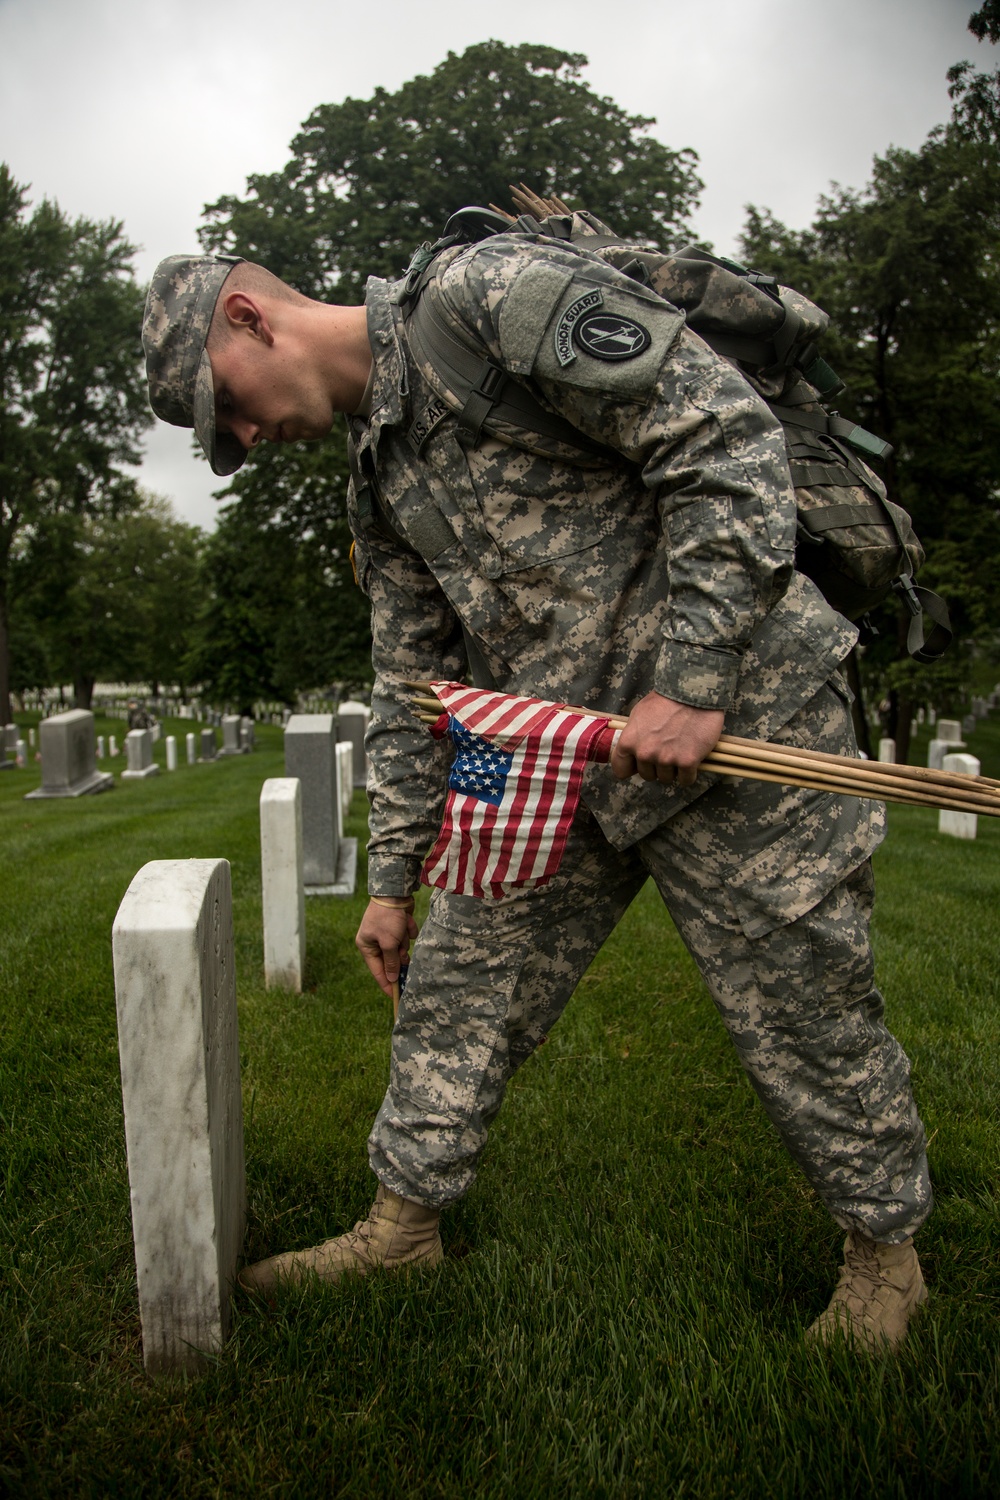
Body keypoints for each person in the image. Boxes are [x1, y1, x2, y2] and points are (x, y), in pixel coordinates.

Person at [142, 208, 932, 1348]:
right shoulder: (378, 473)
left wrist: (694, 678)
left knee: (800, 1000)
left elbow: (721, 440)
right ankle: (403, 1228)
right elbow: (414, 681)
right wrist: (395, 873)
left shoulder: (489, 295)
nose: (242, 441)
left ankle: (883, 1257)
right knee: (461, 978)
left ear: (248, 314)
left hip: (742, 716)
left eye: (225, 409)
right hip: (560, 754)